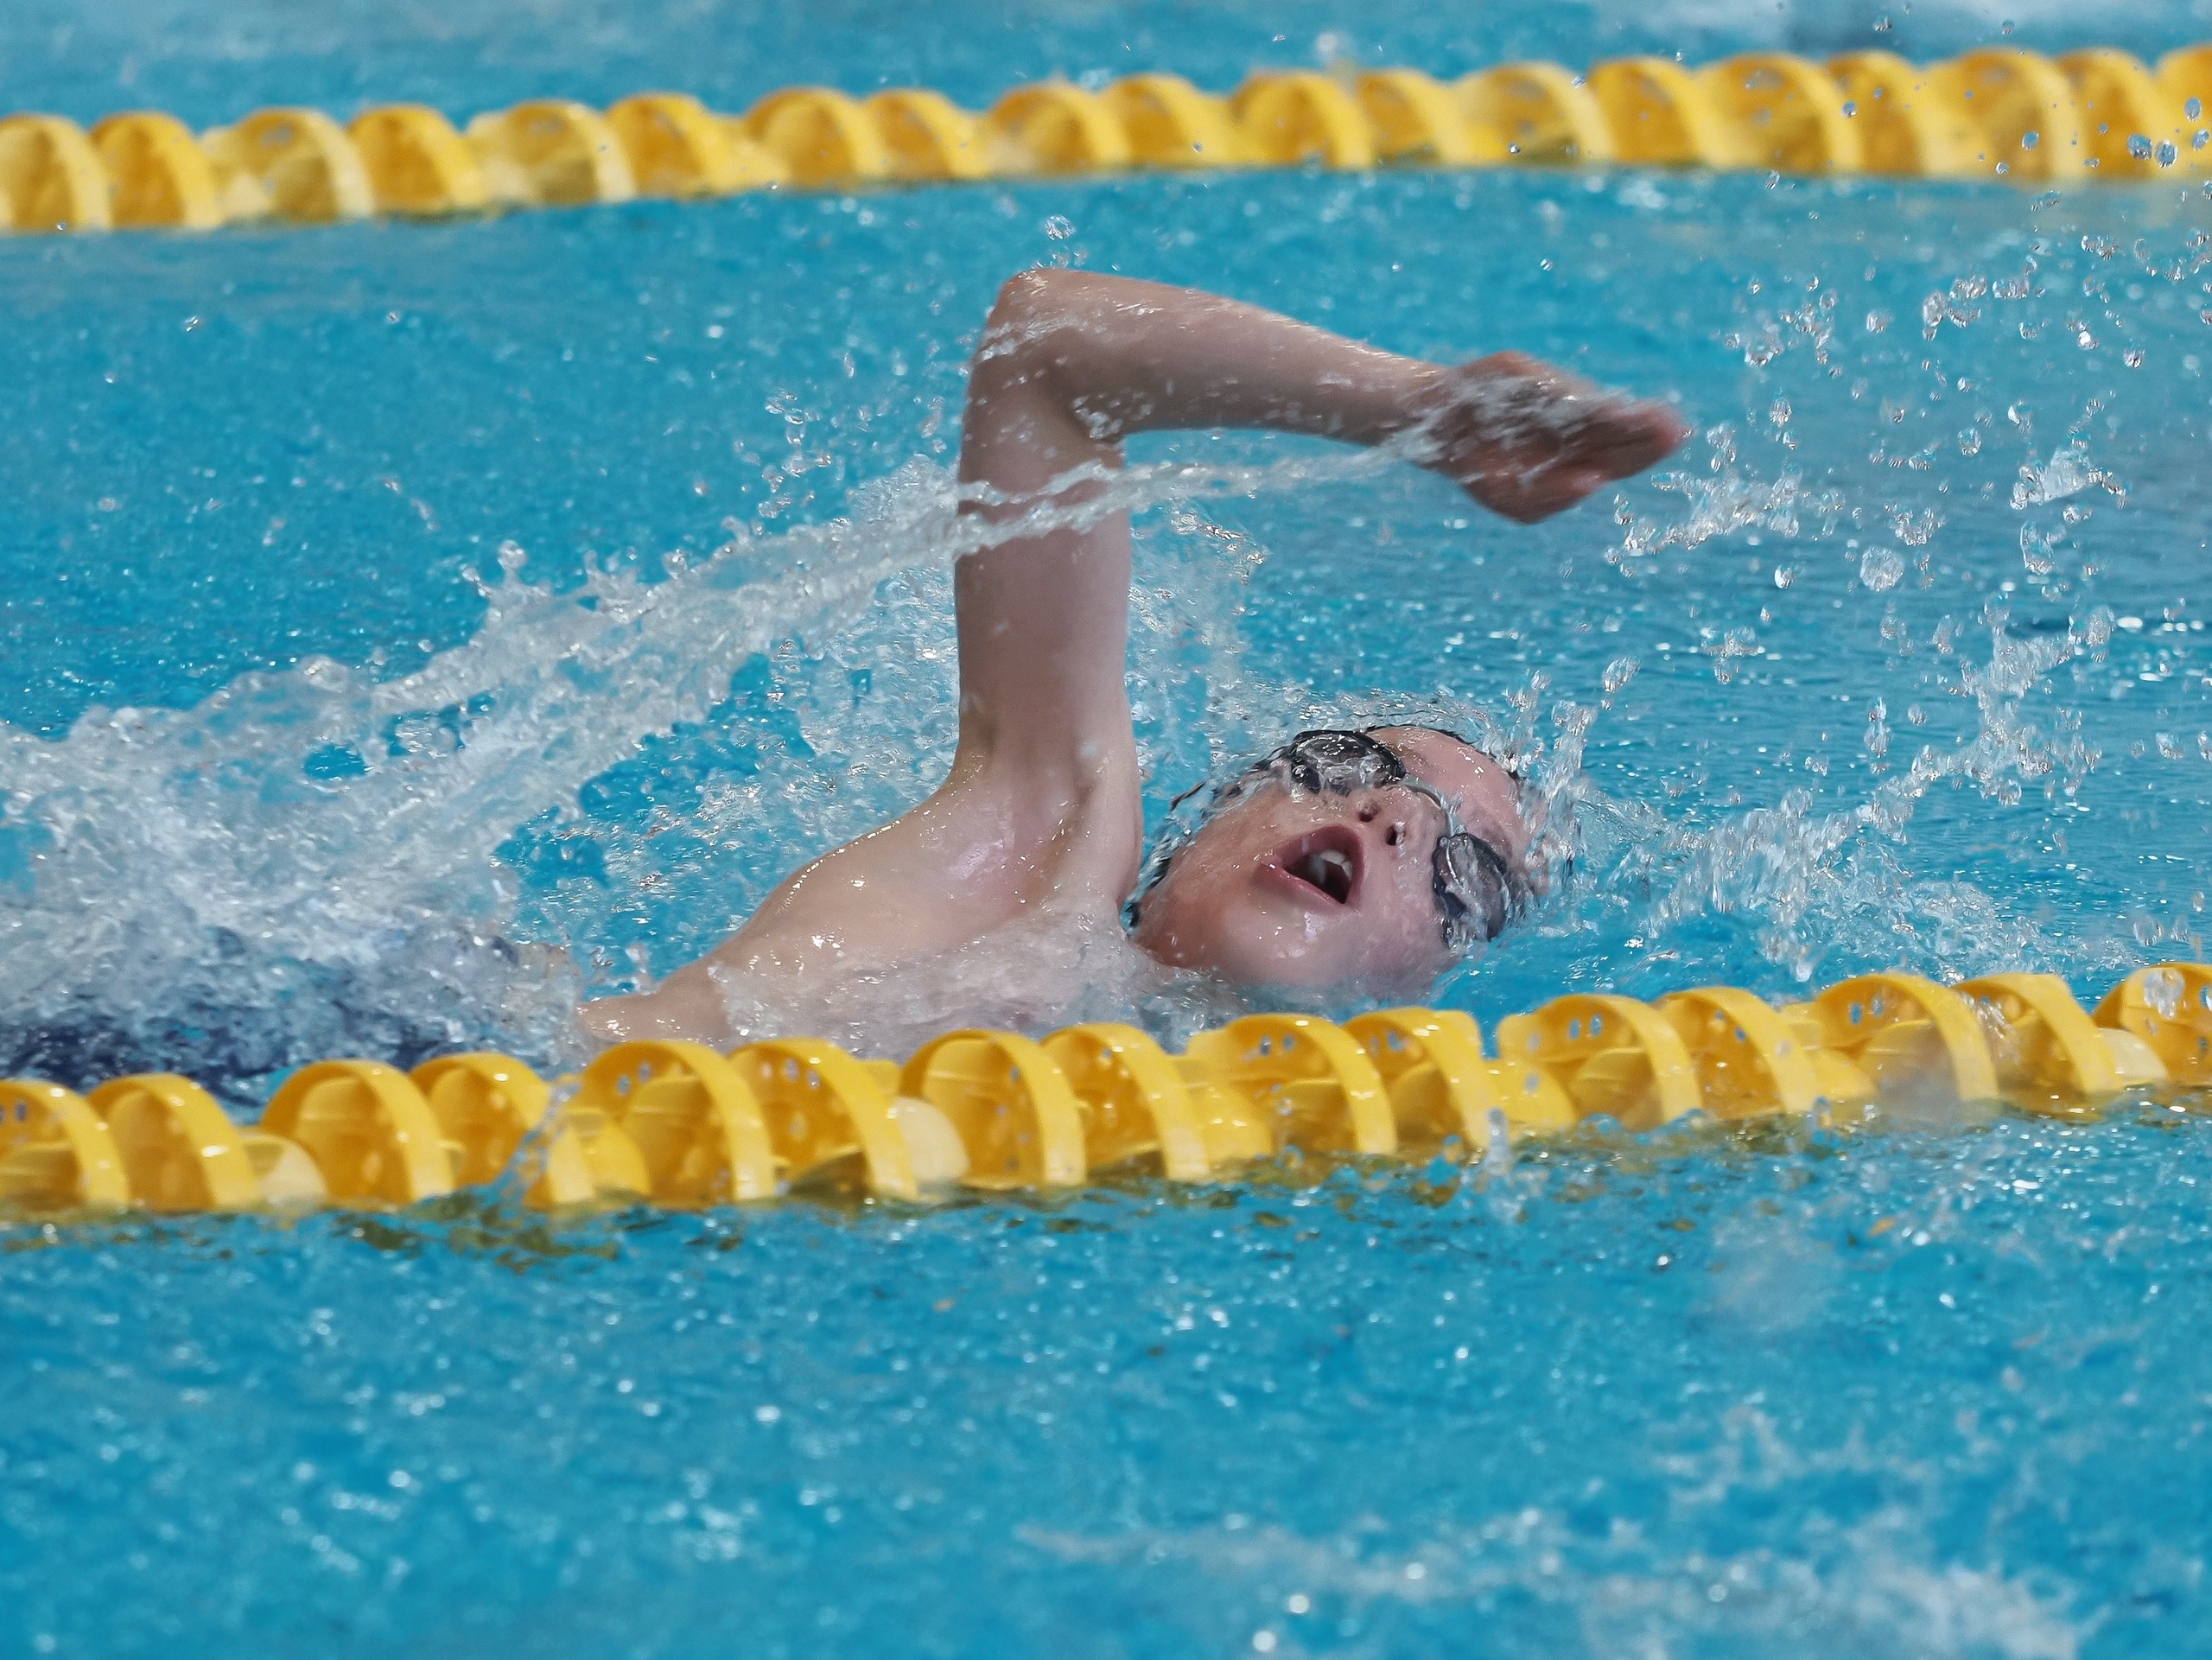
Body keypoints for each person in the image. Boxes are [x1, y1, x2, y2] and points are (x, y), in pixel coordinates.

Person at [581, 270, 1687, 1046]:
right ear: (1199, 827)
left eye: (1465, 875)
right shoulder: (1024, 869)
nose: (1395, 816)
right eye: (1350, 763)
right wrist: (1418, 410)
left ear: (1433, 986)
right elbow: (1046, 350)